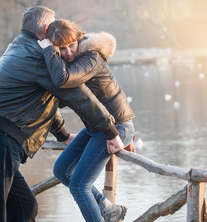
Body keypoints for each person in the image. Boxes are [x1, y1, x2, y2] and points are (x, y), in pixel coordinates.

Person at [0, 6, 123, 222]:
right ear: (47, 28)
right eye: (54, 24)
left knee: (24, 208)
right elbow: (79, 96)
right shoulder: (38, 56)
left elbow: (40, 103)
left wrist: (64, 135)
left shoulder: (19, 47)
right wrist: (111, 131)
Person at [38, 19, 135, 222]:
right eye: (61, 49)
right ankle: (108, 208)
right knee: (62, 170)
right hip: (96, 128)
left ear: (79, 38)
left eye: (71, 45)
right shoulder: (66, 64)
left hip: (115, 129)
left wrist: (49, 51)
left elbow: (63, 80)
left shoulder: (90, 57)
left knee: (79, 186)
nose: (68, 52)